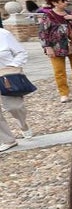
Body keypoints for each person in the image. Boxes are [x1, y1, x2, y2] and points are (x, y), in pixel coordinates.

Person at [37, 0, 72, 103]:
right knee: (59, 71)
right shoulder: (49, 16)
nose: (66, 2)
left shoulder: (71, 13)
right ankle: (64, 93)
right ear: (54, 3)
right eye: (63, 1)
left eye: (66, 0)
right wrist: (47, 47)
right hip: (56, 47)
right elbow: (42, 33)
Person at [0, 19, 32, 150]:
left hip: (7, 75)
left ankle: (23, 123)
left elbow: (21, 52)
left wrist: (12, 66)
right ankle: (8, 140)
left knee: (15, 107)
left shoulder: (4, 34)